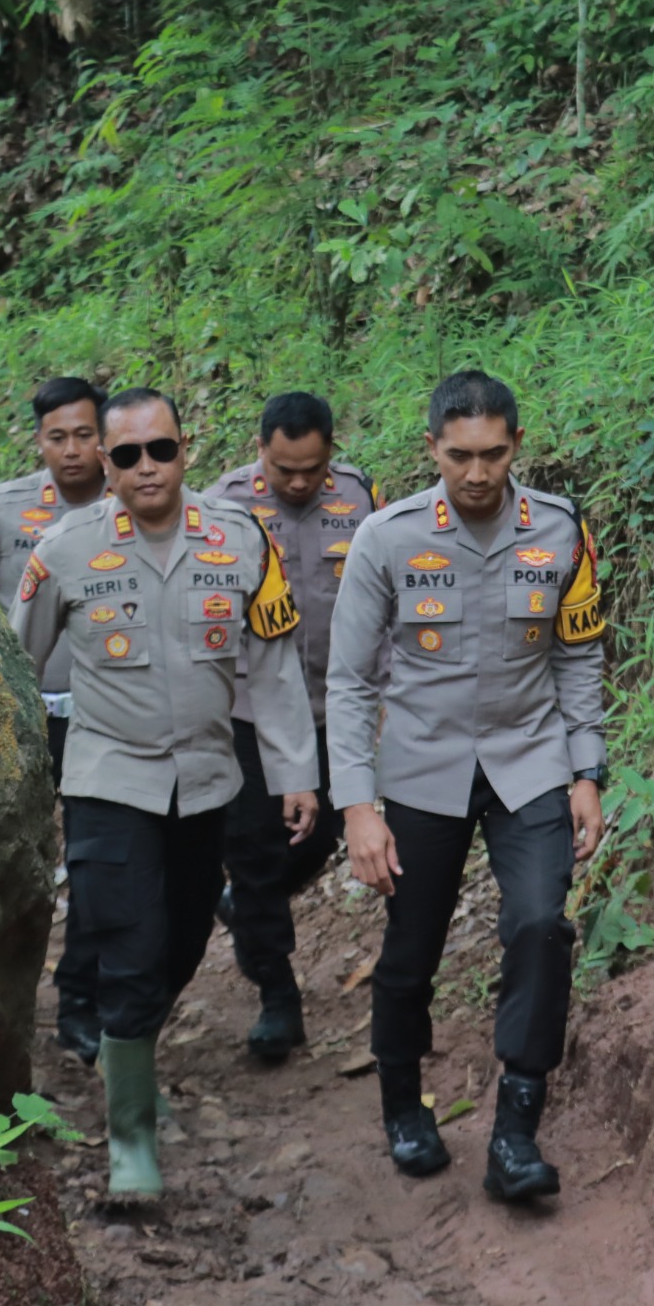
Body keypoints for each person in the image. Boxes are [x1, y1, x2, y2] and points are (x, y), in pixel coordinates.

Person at [14, 388, 320, 1201]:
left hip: (207, 781)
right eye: (126, 455)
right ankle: (132, 1146)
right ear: (107, 466)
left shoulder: (240, 540)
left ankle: (134, 1053)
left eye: (161, 450)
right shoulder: (66, 550)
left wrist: (295, 773)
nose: (145, 468)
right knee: (127, 944)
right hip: (108, 777)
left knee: (181, 940)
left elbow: (277, 666)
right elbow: (16, 666)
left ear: (187, 450)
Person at [324, 369, 608, 1205]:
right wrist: (358, 807)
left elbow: (578, 653)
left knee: (539, 925)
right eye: (459, 457)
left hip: (530, 762)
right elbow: (348, 682)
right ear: (431, 450)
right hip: (421, 765)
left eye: (492, 455)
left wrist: (586, 770)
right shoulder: (386, 537)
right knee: (412, 950)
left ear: (517, 445)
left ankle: (517, 1130)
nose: (476, 474)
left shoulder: (559, 530)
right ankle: (404, 1104)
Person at [202, 391, 381, 1064]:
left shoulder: (361, 500)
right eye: (284, 471)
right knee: (252, 846)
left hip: (334, 706)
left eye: (310, 469)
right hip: (247, 709)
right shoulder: (222, 506)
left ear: (330, 452)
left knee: (320, 840)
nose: (298, 482)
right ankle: (278, 996)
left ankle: (246, 906)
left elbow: (384, 595)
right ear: (260, 451)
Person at [0, 375, 109, 1062]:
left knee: (93, 860)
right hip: (18, 716)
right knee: (10, 857)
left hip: (105, 720)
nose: (73, 450)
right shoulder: (3, 510)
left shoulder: (130, 505)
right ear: (38, 440)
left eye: (85, 435)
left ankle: (81, 1001)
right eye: (59, 437)